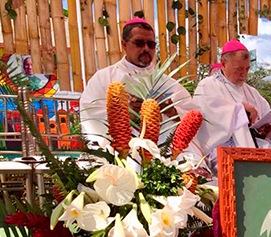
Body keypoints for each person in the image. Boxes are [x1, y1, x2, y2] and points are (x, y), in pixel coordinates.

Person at [79, 18, 197, 148]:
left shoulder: (168, 83)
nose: (146, 48)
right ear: (124, 45)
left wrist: (172, 111)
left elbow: (191, 118)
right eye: (139, 43)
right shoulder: (104, 78)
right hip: (118, 150)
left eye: (151, 44)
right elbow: (90, 116)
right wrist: (126, 114)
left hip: (163, 151)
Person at [192, 40, 271, 153]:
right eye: (239, 69)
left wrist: (266, 129)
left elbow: (266, 116)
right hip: (221, 152)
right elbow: (208, 122)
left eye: (247, 69)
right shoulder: (207, 85)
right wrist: (241, 109)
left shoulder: (251, 92)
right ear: (223, 63)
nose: (244, 75)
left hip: (254, 150)